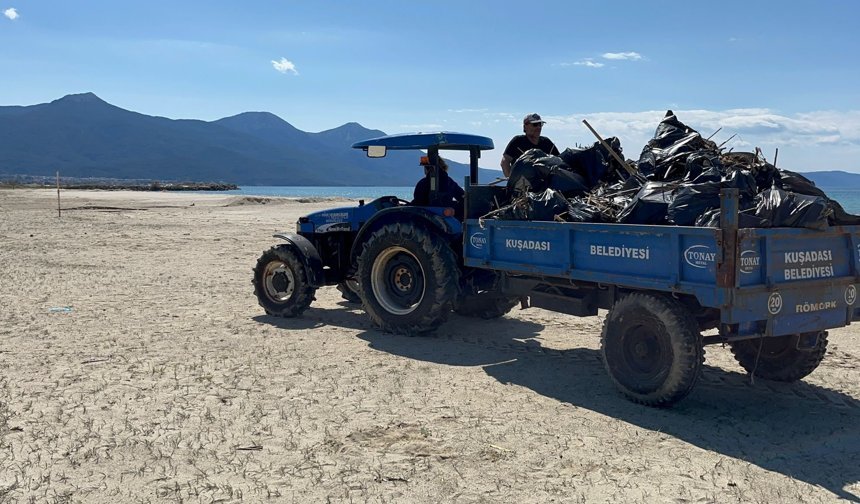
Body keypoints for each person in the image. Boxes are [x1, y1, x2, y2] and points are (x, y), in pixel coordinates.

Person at [500, 113, 560, 177]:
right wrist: (510, 180)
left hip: (545, 183)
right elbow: (504, 162)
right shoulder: (518, 141)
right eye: (535, 124)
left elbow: (559, 160)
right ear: (525, 127)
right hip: (523, 183)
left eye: (540, 124)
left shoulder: (546, 142)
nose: (538, 127)